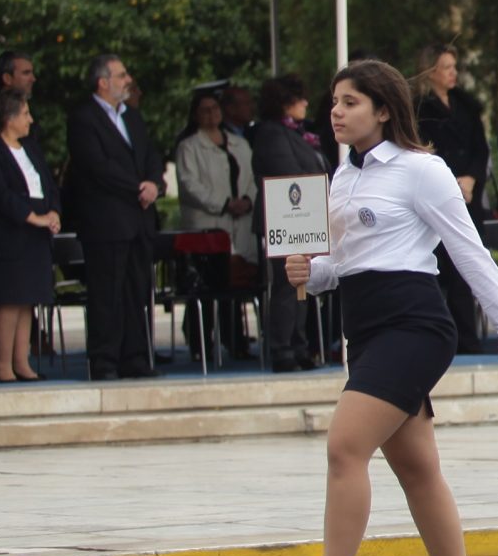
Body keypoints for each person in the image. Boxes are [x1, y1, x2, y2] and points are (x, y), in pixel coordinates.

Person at [280, 61, 498, 556]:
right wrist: (310, 270)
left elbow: (467, 250)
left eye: (350, 102)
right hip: (366, 328)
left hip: (414, 325)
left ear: (384, 109)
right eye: (334, 102)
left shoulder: (423, 169)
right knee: (418, 470)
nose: (337, 112)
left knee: (345, 446)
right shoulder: (342, 176)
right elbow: (344, 265)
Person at [66, 53, 166, 379]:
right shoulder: (83, 118)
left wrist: (154, 183)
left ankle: (135, 358)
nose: (128, 80)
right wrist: (136, 187)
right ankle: (105, 360)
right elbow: (96, 165)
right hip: (106, 222)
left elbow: (151, 154)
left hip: (138, 221)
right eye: (122, 75)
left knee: (136, 292)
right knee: (106, 294)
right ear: (103, 82)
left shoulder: (133, 117)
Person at [0, 90, 59, 383]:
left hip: (35, 237)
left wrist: (54, 211)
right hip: (5, 237)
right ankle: (2, 364)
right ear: (9, 117)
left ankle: (22, 362)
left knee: (27, 300)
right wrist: (32, 217)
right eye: (25, 113)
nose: (30, 120)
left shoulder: (30, 147)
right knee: (8, 300)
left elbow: (48, 183)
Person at [414, 45, 495, 355]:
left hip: (468, 193)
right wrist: (449, 182)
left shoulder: (465, 104)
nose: (453, 73)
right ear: (431, 71)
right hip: (439, 194)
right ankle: (441, 336)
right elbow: (422, 150)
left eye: (454, 67)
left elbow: (480, 148)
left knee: (467, 264)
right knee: (440, 268)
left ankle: (469, 337)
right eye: (447, 67)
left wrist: (472, 178)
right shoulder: (419, 107)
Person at [172, 90, 258, 366]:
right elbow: (190, 185)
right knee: (207, 287)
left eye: (215, 108)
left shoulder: (239, 144)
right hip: (208, 226)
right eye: (205, 109)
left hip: (240, 222)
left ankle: (236, 340)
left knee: (236, 283)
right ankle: (201, 343)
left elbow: (253, 177)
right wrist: (223, 204)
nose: (211, 114)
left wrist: (246, 200)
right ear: (196, 114)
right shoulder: (189, 146)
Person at [251, 75, 329, 372]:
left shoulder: (298, 134)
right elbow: (286, 173)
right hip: (285, 220)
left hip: (304, 220)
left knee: (301, 285)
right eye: (299, 99)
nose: (306, 103)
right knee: (286, 286)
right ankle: (282, 348)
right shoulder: (272, 133)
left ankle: (299, 345)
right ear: (285, 103)